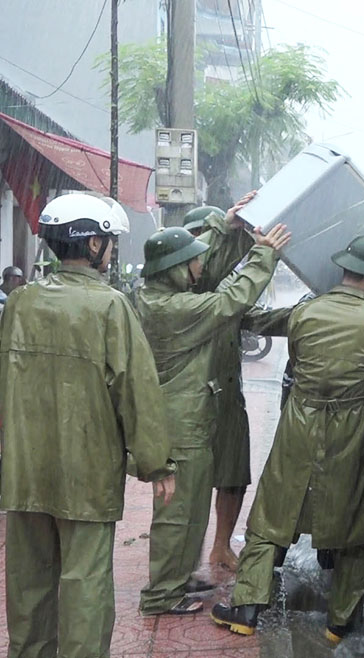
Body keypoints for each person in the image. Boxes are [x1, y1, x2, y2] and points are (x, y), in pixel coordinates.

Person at [1, 193, 177, 658]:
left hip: (24, 470)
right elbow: (138, 390)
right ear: (93, 243)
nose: (113, 250)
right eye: (110, 241)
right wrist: (157, 464)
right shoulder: (111, 308)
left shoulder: (20, 302)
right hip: (87, 475)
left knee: (28, 582)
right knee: (84, 585)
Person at [211, 235, 364, 645]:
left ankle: (246, 609)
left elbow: (272, 335)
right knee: (354, 523)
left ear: (346, 270)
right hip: (349, 429)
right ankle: (339, 623)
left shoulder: (306, 312)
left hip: (298, 423)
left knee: (271, 516)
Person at [136, 218, 291, 615]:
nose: (201, 268)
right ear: (174, 268)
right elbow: (229, 299)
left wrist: (224, 227)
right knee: (176, 516)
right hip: (179, 424)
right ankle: (161, 595)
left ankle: (177, 579)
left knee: (190, 512)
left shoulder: (162, 297)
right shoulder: (169, 307)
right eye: (192, 262)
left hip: (190, 419)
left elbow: (221, 283)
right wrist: (263, 254)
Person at [182, 200, 292, 571]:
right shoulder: (179, 296)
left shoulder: (223, 295)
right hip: (190, 399)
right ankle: (180, 560)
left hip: (227, 395)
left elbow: (257, 318)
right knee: (186, 486)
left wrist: (316, 314)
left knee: (233, 476)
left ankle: (220, 546)